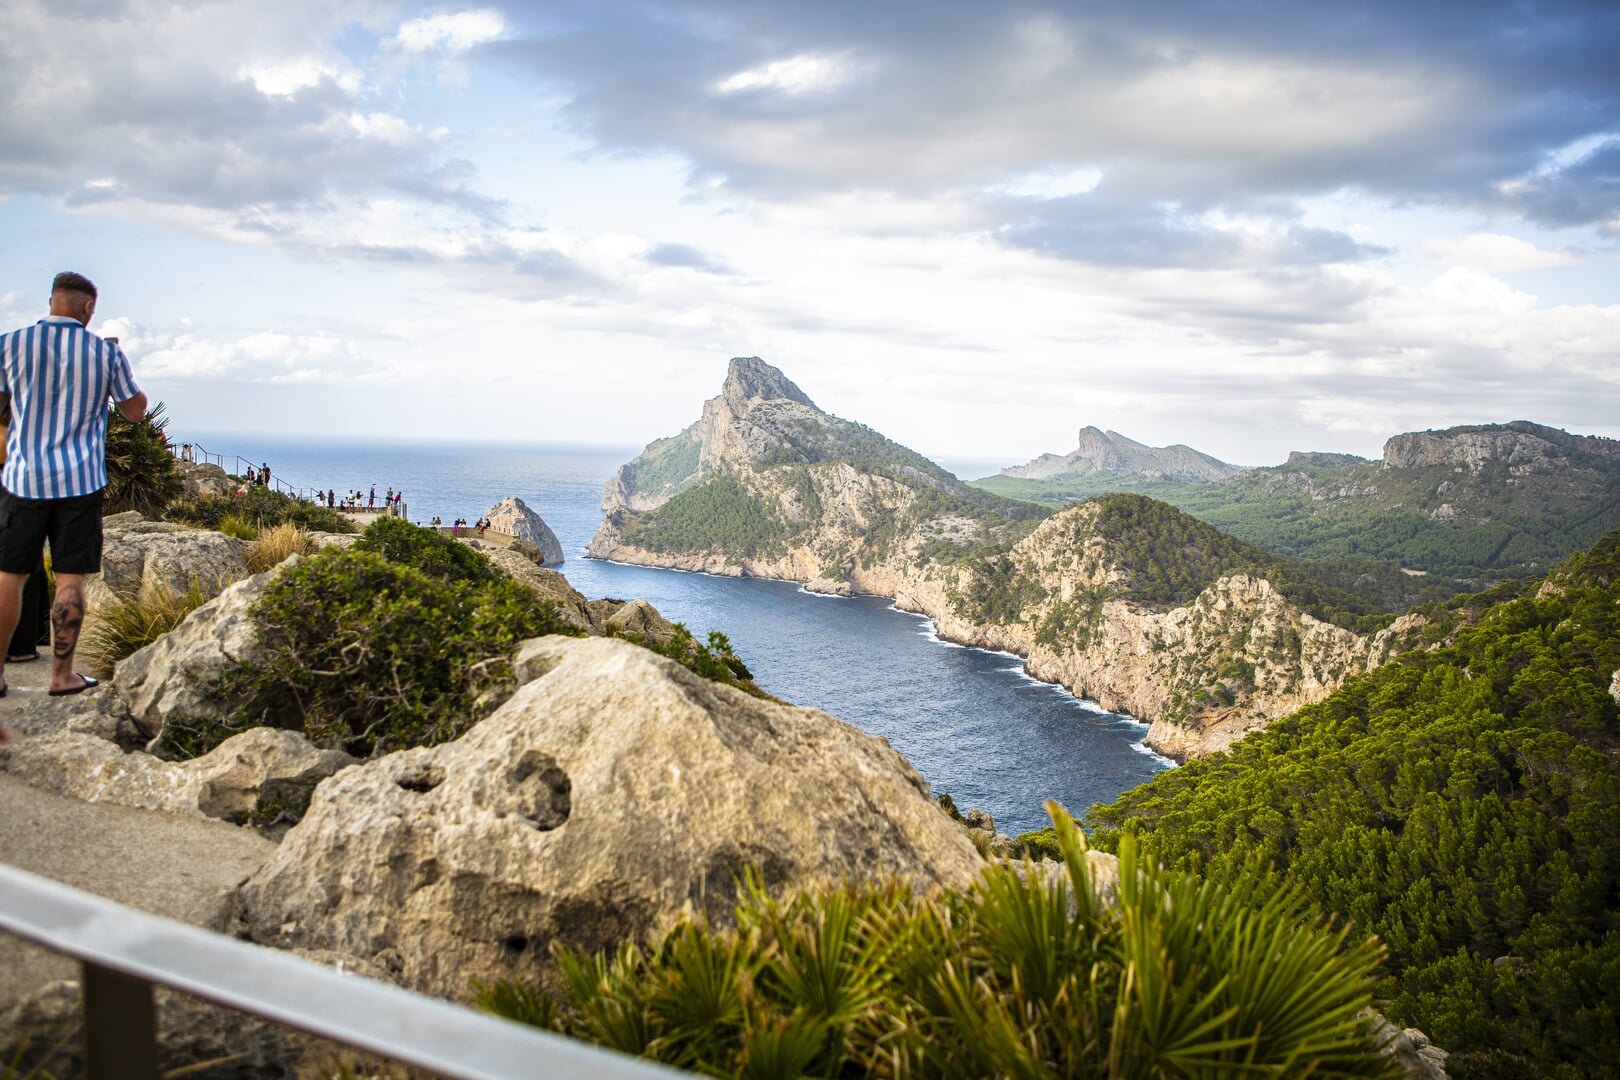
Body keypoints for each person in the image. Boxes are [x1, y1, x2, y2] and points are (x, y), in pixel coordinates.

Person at [0, 272, 148, 717]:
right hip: (79, 482)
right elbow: (136, 412)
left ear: (51, 302)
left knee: (9, 577)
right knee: (69, 579)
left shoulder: (10, 343)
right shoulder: (105, 353)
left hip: (23, 479)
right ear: (89, 308)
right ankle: (61, 676)